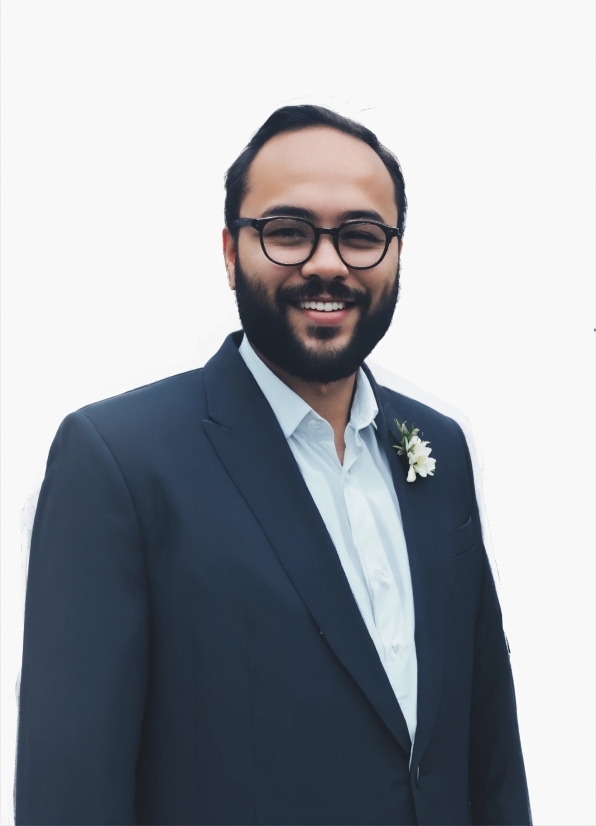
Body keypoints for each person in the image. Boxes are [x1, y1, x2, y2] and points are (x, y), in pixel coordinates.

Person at [15, 105, 531, 826]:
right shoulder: (119, 464)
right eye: (288, 233)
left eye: (361, 236)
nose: (327, 263)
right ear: (229, 251)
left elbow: (489, 753)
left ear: (397, 254)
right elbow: (69, 798)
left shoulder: (437, 451)